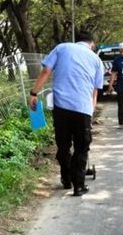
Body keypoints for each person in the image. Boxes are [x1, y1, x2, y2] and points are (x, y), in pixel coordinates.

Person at [29, 31, 103, 196]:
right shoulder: (96, 59)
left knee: (63, 145)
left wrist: (34, 93)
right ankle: (79, 185)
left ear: (76, 41)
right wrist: (90, 114)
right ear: (92, 43)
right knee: (81, 148)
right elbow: (94, 93)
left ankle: (66, 179)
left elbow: (46, 72)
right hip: (83, 109)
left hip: (61, 107)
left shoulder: (62, 48)